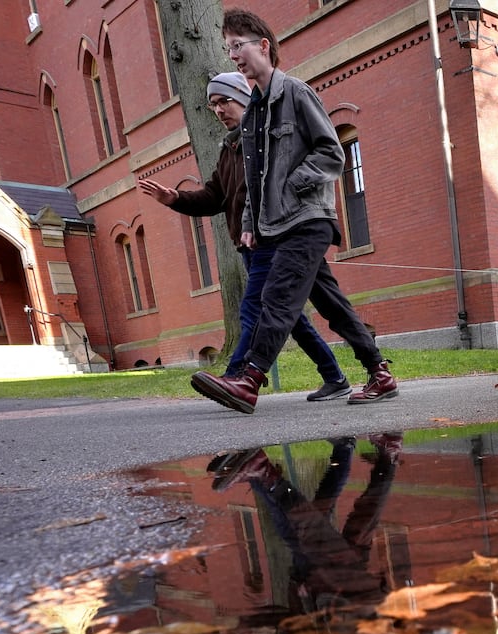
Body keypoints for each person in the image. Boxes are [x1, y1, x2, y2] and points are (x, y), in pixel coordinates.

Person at [190, 9, 397, 415]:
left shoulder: (297, 94)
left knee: (277, 296)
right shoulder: (253, 116)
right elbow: (253, 178)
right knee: (332, 306)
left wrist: (293, 183)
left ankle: (249, 380)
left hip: (309, 219)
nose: (233, 55)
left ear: (263, 46)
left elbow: (331, 152)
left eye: (238, 46)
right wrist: (250, 223)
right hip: (277, 226)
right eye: (228, 48)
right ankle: (380, 373)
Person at [138, 73, 352, 401]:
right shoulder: (229, 149)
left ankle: (237, 375)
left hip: (274, 239)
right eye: (213, 105)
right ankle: (335, 377)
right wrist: (176, 199)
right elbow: (214, 196)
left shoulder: (263, 142)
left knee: (255, 306)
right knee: (291, 318)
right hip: (248, 246)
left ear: (244, 97)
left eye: (225, 101)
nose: (219, 110)